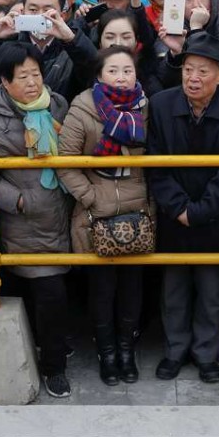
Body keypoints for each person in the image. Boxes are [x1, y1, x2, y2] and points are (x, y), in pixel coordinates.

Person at [148, 33, 219, 384]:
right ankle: (174, 351)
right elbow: (154, 164)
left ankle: (205, 354)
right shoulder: (161, 105)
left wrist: (200, 211)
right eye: (188, 70)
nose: (193, 78)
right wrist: (179, 208)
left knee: (212, 292)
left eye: (203, 71)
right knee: (174, 290)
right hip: (174, 216)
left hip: (216, 217)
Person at [0, 42, 74, 398]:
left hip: (63, 211)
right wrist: (19, 201)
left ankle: (55, 346)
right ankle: (54, 368)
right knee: (49, 293)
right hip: (28, 221)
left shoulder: (57, 104)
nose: (33, 83)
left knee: (59, 293)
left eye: (36, 74)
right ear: (4, 82)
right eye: (22, 77)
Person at [58, 46, 150, 386]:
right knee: (102, 287)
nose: (121, 77)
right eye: (113, 71)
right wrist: (90, 197)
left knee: (132, 287)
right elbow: (66, 161)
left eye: (127, 70)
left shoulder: (145, 105)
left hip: (137, 206)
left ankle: (127, 350)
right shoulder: (83, 107)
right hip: (95, 210)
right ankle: (107, 352)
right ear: (99, 75)